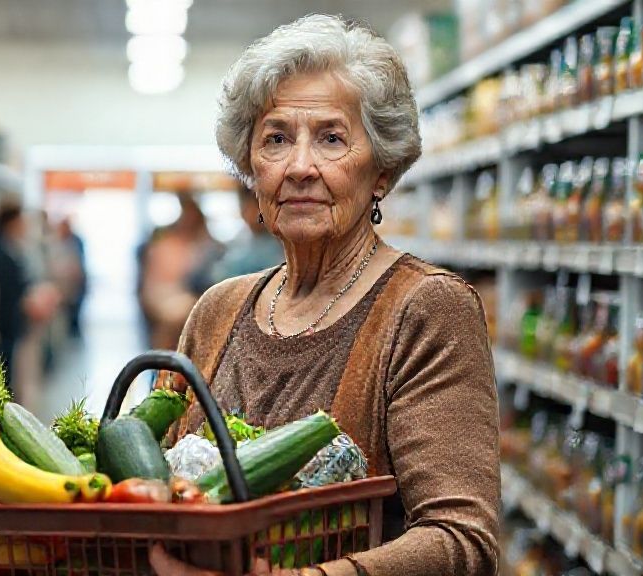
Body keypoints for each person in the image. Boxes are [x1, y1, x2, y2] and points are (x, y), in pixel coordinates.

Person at [151, 15, 499, 576]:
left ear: (382, 171)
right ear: (250, 166)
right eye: (276, 139)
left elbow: (462, 543)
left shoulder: (426, 308)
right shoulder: (217, 310)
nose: (300, 167)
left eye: (331, 138)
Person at [0, 200, 60, 394]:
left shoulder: (12, 248)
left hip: (11, 323)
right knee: (3, 369)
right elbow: (7, 289)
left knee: (10, 367)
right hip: (3, 323)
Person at [138, 193, 220, 350]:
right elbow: (156, 282)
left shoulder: (205, 246)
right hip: (167, 295)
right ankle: (163, 367)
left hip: (190, 295)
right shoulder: (166, 245)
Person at [190, 181, 284, 293]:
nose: (249, 213)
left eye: (254, 207)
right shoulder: (236, 243)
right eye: (244, 207)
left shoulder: (277, 245)